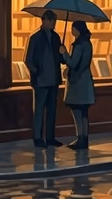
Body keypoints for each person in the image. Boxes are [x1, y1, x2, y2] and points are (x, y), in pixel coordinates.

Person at [25, 12, 64, 147]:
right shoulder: (35, 38)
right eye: (52, 20)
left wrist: (63, 53)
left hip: (54, 79)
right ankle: (37, 138)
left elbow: (60, 59)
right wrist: (36, 71)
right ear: (44, 20)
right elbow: (28, 59)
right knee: (39, 110)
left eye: (55, 20)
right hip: (41, 80)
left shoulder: (56, 37)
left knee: (52, 110)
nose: (54, 23)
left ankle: (50, 137)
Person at [61, 21, 95, 151]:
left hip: (77, 83)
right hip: (85, 81)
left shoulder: (78, 45)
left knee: (76, 111)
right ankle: (84, 138)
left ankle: (79, 137)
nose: (71, 31)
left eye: (73, 28)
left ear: (78, 30)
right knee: (84, 112)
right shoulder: (88, 43)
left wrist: (64, 53)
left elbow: (73, 62)